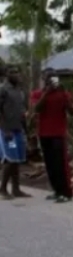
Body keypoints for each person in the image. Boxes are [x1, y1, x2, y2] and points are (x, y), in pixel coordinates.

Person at [30, 69, 73, 202]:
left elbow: (72, 111)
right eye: (48, 77)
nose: (51, 80)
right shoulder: (37, 94)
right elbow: (37, 109)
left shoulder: (64, 93)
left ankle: (66, 193)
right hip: (44, 133)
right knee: (50, 164)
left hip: (58, 133)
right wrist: (46, 93)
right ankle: (57, 190)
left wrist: (65, 96)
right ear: (44, 79)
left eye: (53, 77)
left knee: (60, 163)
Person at [0, 65, 30, 199]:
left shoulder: (20, 91)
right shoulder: (2, 90)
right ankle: (3, 189)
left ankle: (16, 189)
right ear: (6, 75)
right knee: (10, 160)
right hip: (7, 131)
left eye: (17, 72)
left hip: (18, 130)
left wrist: (25, 130)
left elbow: (22, 112)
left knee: (17, 160)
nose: (16, 74)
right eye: (12, 72)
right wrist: (5, 130)